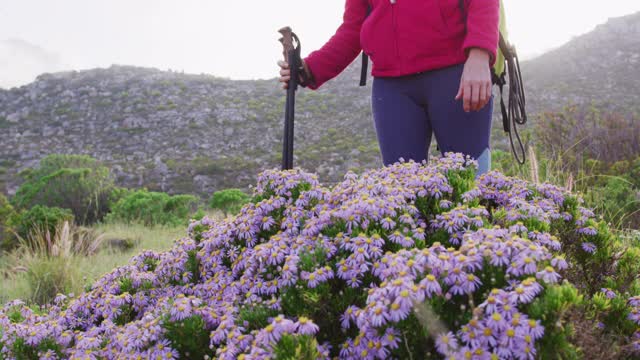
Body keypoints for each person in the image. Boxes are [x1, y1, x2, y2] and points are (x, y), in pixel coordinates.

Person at [278, 0, 499, 174]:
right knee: (403, 198)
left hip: (456, 76)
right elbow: (354, 29)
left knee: (471, 187)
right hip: (393, 90)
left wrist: (479, 55)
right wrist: (309, 69)